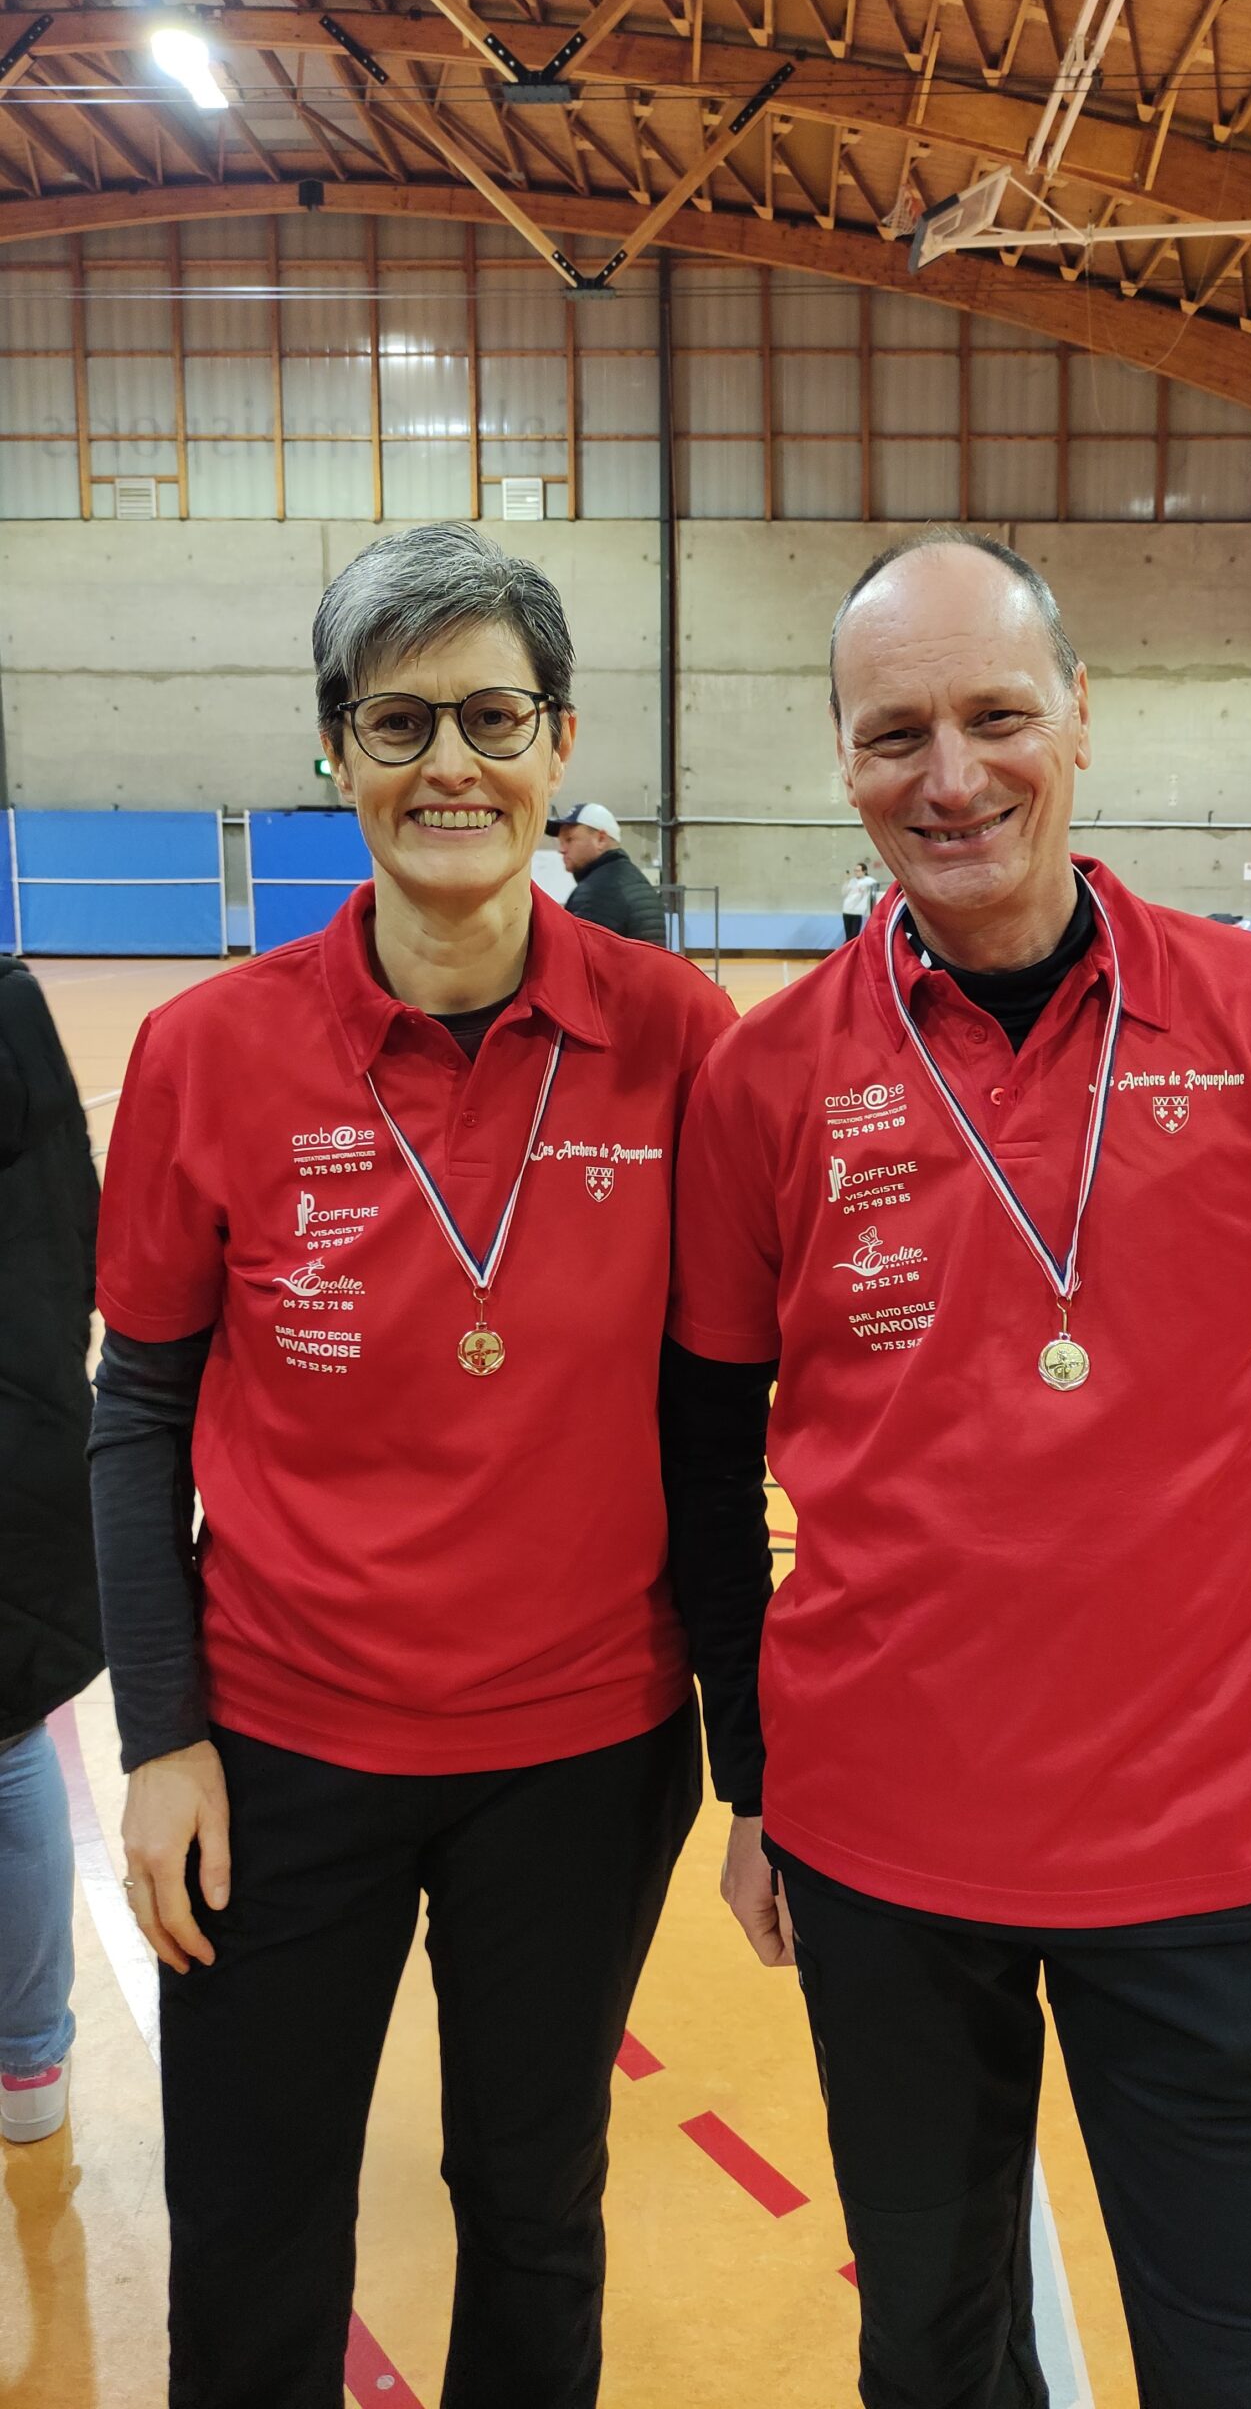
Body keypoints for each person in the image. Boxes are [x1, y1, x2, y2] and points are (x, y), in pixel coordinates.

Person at [663, 525, 1251, 2409]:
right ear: (838, 759)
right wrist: (748, 1786)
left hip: (1213, 1849)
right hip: (880, 1849)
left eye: (997, 714)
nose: (950, 776)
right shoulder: (762, 1088)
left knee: (1248, 2357)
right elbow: (698, 1464)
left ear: (1080, 717)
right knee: (930, 2355)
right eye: (892, 731)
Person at [89, 523, 732, 2409]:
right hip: (277, 1758)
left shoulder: (676, 1037)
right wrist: (161, 1739)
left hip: (585, 1754)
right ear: (334, 754)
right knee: (255, 2209)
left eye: (490, 715)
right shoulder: (212, 1053)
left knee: (532, 2202)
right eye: (397, 722)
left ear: (556, 743)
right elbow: (139, 1414)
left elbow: (727, 1407)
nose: (448, 763)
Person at [0, 957, 102, 2144]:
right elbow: (77, 1213)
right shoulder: (13, 1001)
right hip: (25, 1423)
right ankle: (30, 2062)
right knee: (10, 1739)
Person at [548, 801, 667, 946]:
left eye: (569, 839)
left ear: (601, 839)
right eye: (560, 842)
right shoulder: (636, 880)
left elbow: (577, 959)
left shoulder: (595, 893)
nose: (561, 849)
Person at [840, 862, 876, 942]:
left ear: (864, 871)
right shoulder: (852, 881)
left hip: (857, 911)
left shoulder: (869, 880)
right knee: (848, 935)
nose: (856, 872)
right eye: (855, 870)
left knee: (854, 934)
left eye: (858, 870)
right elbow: (844, 892)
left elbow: (874, 885)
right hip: (847, 910)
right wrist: (846, 880)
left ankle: (851, 951)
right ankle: (847, 951)